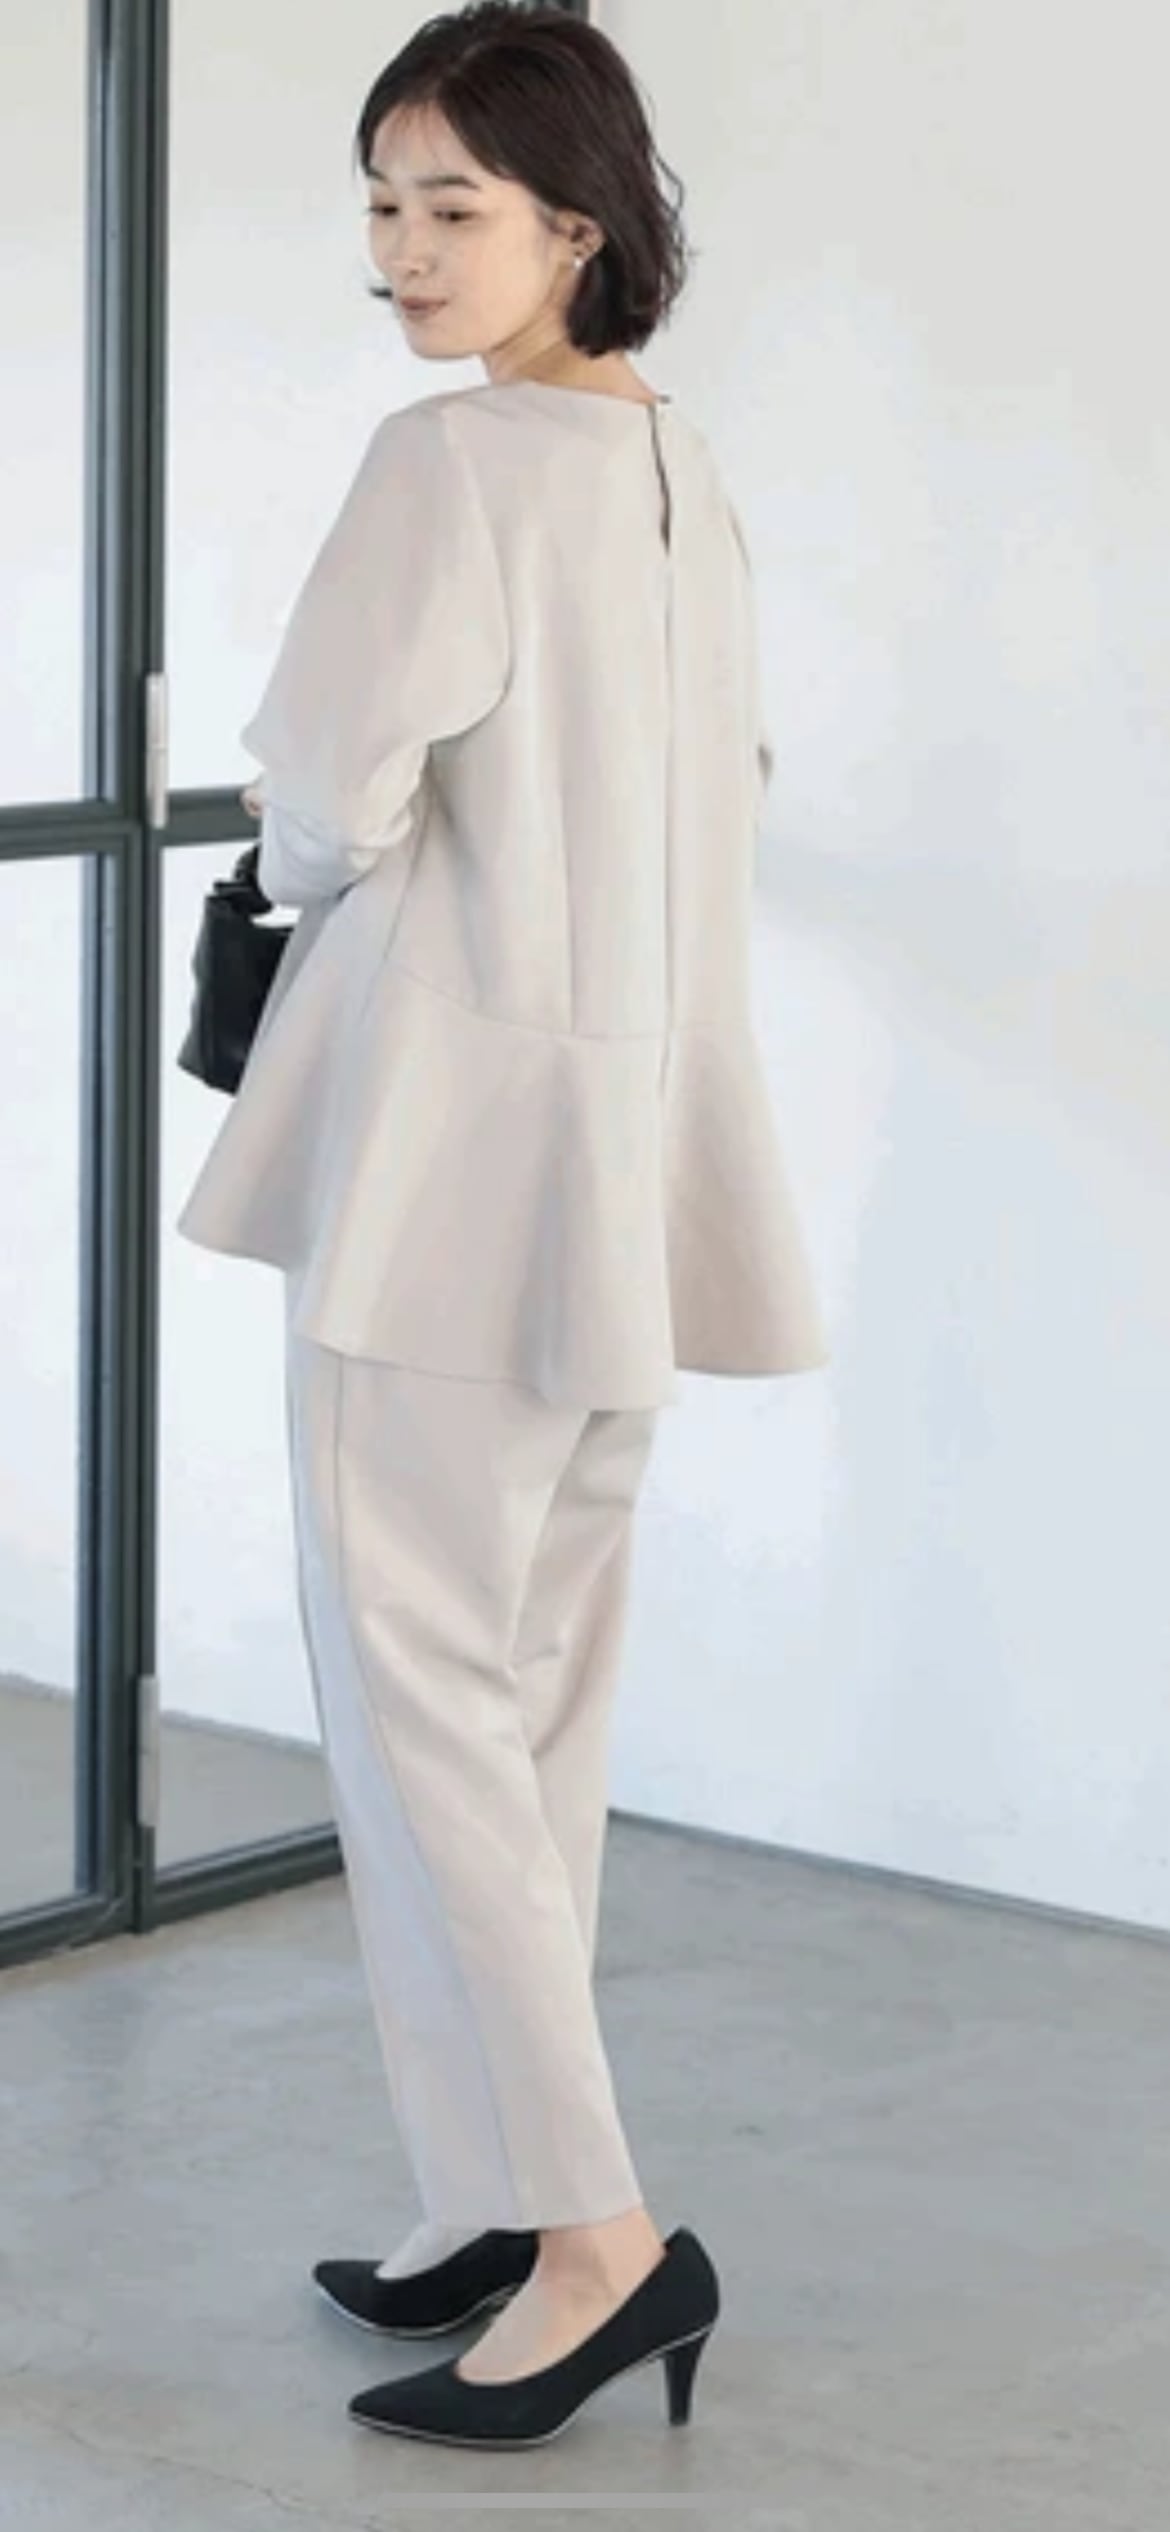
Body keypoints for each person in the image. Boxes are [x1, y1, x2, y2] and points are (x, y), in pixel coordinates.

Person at [177, 0, 828, 2450]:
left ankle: (596, 2243)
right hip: (637, 1172)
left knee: (423, 1695)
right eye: (381, 201)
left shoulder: (446, 468)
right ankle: (499, 2191)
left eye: (454, 204)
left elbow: (329, 797)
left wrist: (299, 877)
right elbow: (729, 782)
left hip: (450, 1173)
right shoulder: (680, 470)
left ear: (580, 221)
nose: (403, 251)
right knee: (530, 1698)